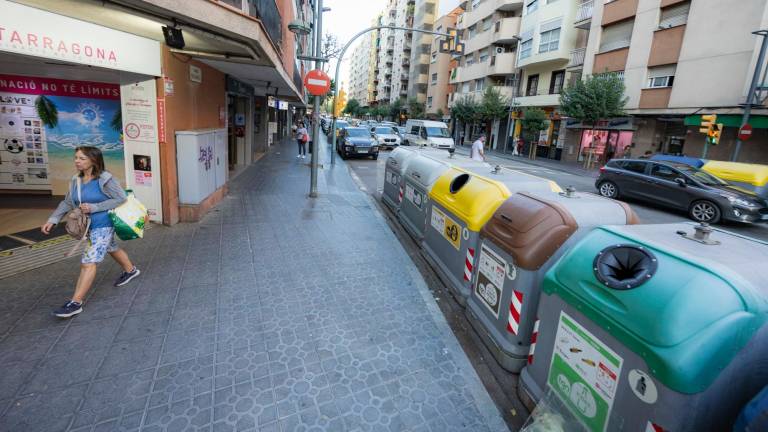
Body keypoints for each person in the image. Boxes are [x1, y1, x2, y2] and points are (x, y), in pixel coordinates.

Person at [42, 146, 140, 318]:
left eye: (81, 158)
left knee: (88, 262)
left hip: (104, 224)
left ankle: (76, 303)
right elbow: (67, 202)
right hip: (88, 226)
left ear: (93, 160)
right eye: (76, 158)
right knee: (110, 247)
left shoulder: (105, 179)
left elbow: (121, 198)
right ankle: (131, 270)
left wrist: (96, 207)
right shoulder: (76, 180)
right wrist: (53, 219)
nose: (76, 161)